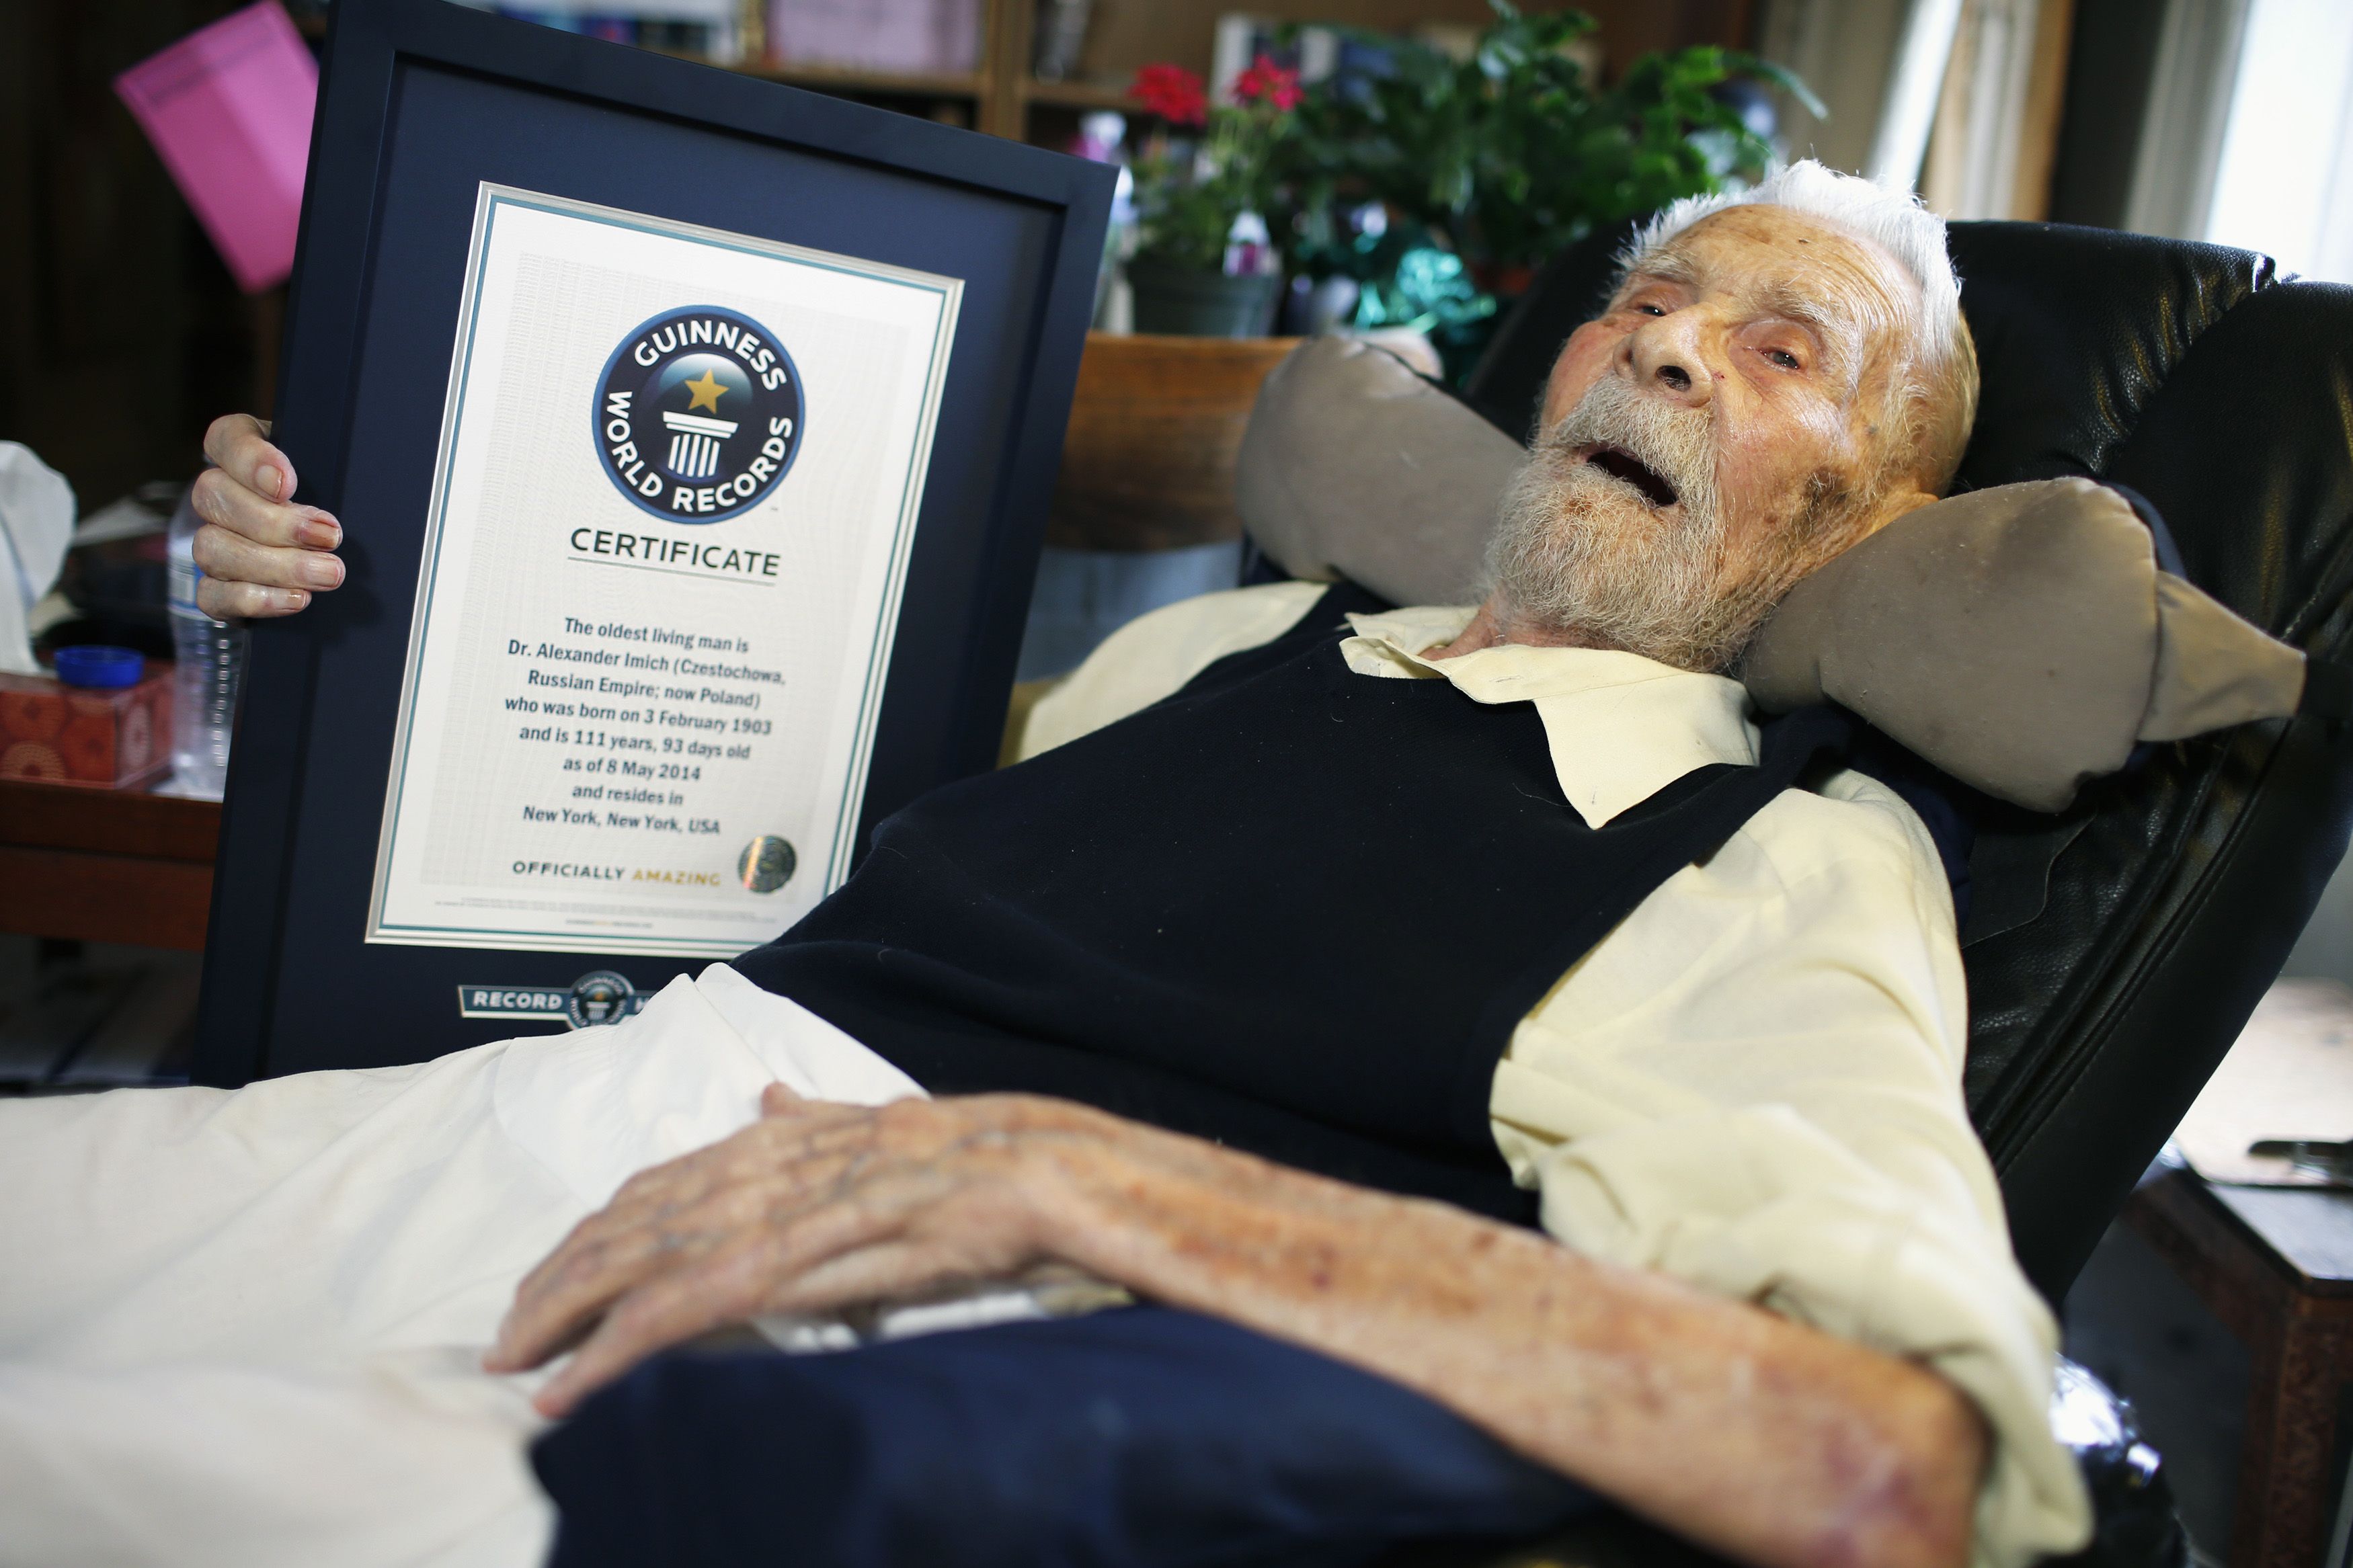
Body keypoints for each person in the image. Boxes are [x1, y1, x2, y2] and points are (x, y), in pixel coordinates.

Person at [0, 164, 2091, 1568]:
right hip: (489, 1123)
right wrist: (316, 603)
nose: (1661, 350)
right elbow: (691, 807)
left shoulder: (1765, 863)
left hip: (799, 1339)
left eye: (1779, 352)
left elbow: (1877, 1461)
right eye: (1647, 304)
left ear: (1864, 514)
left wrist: (1067, 1172)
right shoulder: (1207, 650)